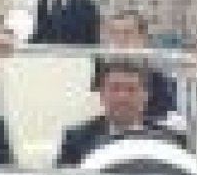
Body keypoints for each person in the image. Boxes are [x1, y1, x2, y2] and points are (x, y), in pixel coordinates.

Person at [57, 60, 186, 168]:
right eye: (115, 88)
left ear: (146, 95)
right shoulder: (76, 140)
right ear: (102, 94)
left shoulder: (171, 141)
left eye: (131, 89)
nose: (123, 97)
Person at [92, 11, 176, 119]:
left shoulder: (158, 75)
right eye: (114, 33)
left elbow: (163, 114)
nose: (120, 39)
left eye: (127, 32)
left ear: (142, 37)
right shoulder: (98, 69)